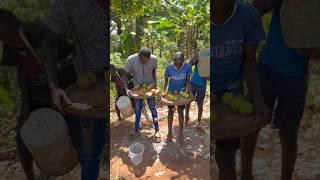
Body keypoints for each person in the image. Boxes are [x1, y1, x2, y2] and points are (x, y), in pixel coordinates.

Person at [0, 9, 74, 180]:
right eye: (4, 40)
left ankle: (74, 160)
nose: (9, 42)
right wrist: (26, 105)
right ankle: (31, 176)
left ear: (17, 26)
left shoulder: (42, 32)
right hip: (36, 91)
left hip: (63, 86)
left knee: (72, 127)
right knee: (23, 133)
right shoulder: (11, 45)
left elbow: (72, 54)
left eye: (10, 37)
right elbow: (21, 73)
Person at [41, 0, 107, 179]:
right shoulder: (68, 3)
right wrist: (53, 86)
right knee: (90, 151)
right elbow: (48, 43)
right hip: (89, 86)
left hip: (122, 79)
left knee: (126, 134)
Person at [212, 1, 269, 180]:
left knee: (225, 157)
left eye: (225, 11)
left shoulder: (249, 16)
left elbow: (250, 61)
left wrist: (258, 100)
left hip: (232, 94)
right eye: (213, 12)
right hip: (206, 94)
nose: (219, 18)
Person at [253, 0, 309, 179]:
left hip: (295, 76)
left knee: (289, 133)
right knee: (252, 124)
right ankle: (246, 173)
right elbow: (257, 9)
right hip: (267, 67)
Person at [123, 47, 161, 143]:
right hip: (137, 87)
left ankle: (157, 131)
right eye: (142, 60)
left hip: (149, 86)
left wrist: (155, 85)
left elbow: (153, 72)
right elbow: (125, 75)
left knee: (153, 108)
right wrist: (126, 88)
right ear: (139, 56)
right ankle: (136, 130)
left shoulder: (154, 59)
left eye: (146, 60)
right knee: (138, 109)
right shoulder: (131, 60)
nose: (144, 62)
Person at [163, 51, 193, 143]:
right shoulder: (169, 68)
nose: (177, 66)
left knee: (180, 112)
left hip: (182, 94)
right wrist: (164, 91)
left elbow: (188, 81)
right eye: (175, 63)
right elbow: (166, 81)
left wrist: (190, 92)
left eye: (179, 64)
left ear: (183, 61)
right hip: (172, 94)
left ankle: (181, 133)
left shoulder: (187, 67)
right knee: (171, 112)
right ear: (173, 61)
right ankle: (169, 133)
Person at [185, 49, 208, 128]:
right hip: (193, 83)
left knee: (200, 104)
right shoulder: (198, 60)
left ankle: (199, 121)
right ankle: (186, 116)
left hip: (202, 86)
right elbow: (190, 64)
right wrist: (196, 55)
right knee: (188, 101)